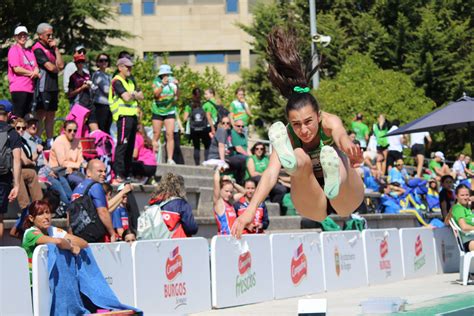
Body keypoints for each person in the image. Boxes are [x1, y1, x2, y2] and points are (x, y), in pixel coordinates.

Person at [232, 27, 364, 238]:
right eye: (296, 124)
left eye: (308, 122)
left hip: (346, 197)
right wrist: (250, 210)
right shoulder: (287, 135)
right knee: (299, 158)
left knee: (337, 155)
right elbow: (270, 174)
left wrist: (349, 148)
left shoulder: (330, 122)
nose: (303, 130)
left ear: (319, 116)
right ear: (289, 123)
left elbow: (341, 136)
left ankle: (334, 180)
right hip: (312, 202)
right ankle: (294, 164)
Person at [22, 200, 88, 279]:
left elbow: (84, 243)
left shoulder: (52, 230)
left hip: (47, 281)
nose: (46, 217)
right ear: (31, 218)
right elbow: (58, 241)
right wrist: (71, 247)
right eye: (40, 214)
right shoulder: (30, 233)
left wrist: (67, 242)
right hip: (32, 283)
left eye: (48, 212)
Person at [109, 58, 144, 183]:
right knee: (122, 145)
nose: (130, 69)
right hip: (123, 116)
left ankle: (127, 173)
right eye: (127, 67)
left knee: (130, 146)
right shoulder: (117, 81)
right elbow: (126, 97)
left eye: (130, 67)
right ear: (120, 67)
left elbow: (142, 96)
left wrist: (132, 94)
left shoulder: (130, 81)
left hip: (132, 116)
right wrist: (134, 94)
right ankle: (119, 173)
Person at [32, 23, 64, 147]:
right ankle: (38, 139)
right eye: (48, 35)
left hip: (53, 87)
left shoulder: (52, 48)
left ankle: (50, 140)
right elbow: (51, 67)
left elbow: (60, 66)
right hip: (43, 87)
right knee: (41, 115)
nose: (51, 37)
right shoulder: (37, 48)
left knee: (51, 115)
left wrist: (56, 49)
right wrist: (56, 68)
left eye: (52, 34)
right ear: (40, 36)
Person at [71, 159, 117, 242]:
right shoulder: (95, 186)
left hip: (79, 234)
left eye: (105, 171)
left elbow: (69, 213)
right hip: (94, 235)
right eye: (100, 171)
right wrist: (112, 233)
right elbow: (102, 211)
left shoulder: (77, 188)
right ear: (88, 172)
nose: (104, 174)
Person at [148, 173, 198, 238]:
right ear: (180, 187)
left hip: (155, 244)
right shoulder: (181, 204)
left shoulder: (154, 202)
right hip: (177, 244)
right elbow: (192, 228)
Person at [7, 26, 40, 118]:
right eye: (20, 35)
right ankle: (15, 132)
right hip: (19, 88)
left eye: (24, 35)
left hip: (30, 88)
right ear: (15, 37)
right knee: (18, 116)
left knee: (27, 117)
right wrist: (32, 73)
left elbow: (36, 66)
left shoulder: (30, 51)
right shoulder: (13, 50)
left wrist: (36, 71)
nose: (22, 37)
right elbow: (16, 68)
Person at [246, 142, 288, 213]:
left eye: (261, 149)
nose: (259, 150)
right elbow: (253, 173)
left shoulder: (266, 159)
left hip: (267, 180)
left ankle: (275, 208)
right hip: (253, 181)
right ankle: (266, 198)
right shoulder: (251, 159)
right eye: (257, 149)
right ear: (254, 150)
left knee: (282, 189)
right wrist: (265, 174)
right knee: (259, 178)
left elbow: (272, 171)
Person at [0, 105, 22, 238]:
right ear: (8, 115)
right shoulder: (12, 133)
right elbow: (17, 160)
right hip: (3, 179)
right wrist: (17, 185)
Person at [151, 64, 179, 164]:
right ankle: (153, 157)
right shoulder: (156, 82)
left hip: (170, 110)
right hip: (158, 110)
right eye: (164, 74)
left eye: (168, 74)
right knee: (156, 134)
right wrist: (162, 85)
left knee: (170, 134)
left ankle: (170, 159)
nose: (166, 76)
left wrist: (177, 86)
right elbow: (155, 94)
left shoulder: (172, 82)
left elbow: (176, 97)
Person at [14, 118, 43, 210]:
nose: (21, 130)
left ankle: (39, 206)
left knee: (32, 173)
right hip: (12, 170)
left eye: (23, 128)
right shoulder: (14, 140)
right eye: (18, 128)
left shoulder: (24, 142)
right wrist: (33, 163)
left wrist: (38, 152)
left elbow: (30, 158)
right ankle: (25, 207)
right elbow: (24, 160)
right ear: (14, 129)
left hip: (23, 168)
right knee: (20, 174)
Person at [49, 120, 86, 188]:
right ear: (64, 130)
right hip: (59, 172)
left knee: (89, 181)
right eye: (69, 130)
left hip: (73, 171)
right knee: (81, 182)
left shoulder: (78, 142)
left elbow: (80, 160)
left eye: (75, 131)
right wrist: (78, 165)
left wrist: (74, 166)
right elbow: (62, 163)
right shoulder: (59, 141)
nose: (72, 133)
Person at [68, 54, 98, 131]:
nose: (81, 64)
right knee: (79, 128)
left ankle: (97, 141)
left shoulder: (87, 75)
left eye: (82, 62)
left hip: (89, 103)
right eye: (79, 62)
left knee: (94, 127)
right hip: (79, 104)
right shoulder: (73, 77)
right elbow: (70, 94)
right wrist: (81, 88)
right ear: (75, 63)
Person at [183, 87, 212, 165]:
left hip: (194, 129)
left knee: (196, 147)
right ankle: (206, 162)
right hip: (203, 128)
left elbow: (185, 119)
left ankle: (197, 164)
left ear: (192, 94)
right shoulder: (204, 104)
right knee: (207, 146)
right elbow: (208, 116)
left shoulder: (189, 105)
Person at [213, 168, 243, 235]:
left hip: (233, 239)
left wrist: (232, 183)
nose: (229, 194)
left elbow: (243, 192)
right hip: (224, 239)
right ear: (220, 190)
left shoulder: (230, 201)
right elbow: (216, 181)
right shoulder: (219, 202)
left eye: (231, 192)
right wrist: (218, 170)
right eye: (226, 191)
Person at [91, 53, 112, 134]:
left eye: (106, 60)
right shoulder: (97, 74)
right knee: (101, 130)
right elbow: (106, 90)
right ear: (98, 63)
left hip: (108, 106)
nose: (104, 62)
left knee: (107, 129)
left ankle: (106, 146)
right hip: (100, 106)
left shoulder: (108, 75)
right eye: (101, 60)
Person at [450, 185, 474, 251]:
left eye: (467, 195)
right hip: (468, 241)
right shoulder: (458, 208)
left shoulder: (467, 208)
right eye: (462, 195)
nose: (465, 197)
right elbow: (464, 227)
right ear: (456, 196)